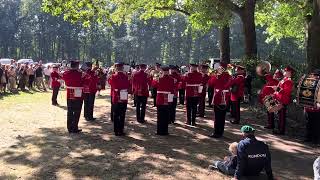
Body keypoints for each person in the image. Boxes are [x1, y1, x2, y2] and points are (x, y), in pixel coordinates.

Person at [208, 62, 232, 138]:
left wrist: (214, 76)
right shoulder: (229, 76)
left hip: (219, 97)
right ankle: (220, 132)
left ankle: (216, 132)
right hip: (225, 97)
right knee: (222, 116)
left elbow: (211, 84)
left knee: (217, 116)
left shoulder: (218, 76)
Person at [62, 60, 84, 133]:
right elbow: (86, 81)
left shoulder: (66, 73)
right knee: (77, 111)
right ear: (77, 66)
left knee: (70, 110)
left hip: (70, 93)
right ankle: (74, 127)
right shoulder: (81, 74)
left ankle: (69, 127)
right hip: (78, 93)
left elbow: (63, 78)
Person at [109, 62, 130, 136]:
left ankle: (116, 131)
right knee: (122, 114)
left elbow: (111, 84)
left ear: (116, 68)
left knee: (116, 114)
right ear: (122, 68)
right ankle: (121, 130)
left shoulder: (113, 76)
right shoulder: (126, 76)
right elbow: (128, 85)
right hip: (124, 96)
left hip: (116, 96)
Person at [273, 66, 294, 135]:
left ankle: (281, 130)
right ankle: (278, 128)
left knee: (282, 116)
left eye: (286, 71)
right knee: (279, 115)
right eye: (284, 71)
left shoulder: (289, 81)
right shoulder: (284, 79)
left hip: (283, 99)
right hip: (279, 98)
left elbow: (286, 91)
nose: (284, 72)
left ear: (290, 73)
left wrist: (277, 89)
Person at [156, 66, 175, 135]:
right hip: (167, 98)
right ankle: (165, 131)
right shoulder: (172, 79)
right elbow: (172, 90)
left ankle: (159, 131)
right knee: (166, 116)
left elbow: (154, 85)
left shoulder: (159, 78)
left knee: (160, 116)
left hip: (160, 98)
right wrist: (170, 101)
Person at [304, 69, 320, 144]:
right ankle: (308, 137)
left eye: (316, 75)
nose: (315, 76)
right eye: (314, 75)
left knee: (316, 123)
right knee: (309, 122)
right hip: (309, 106)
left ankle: (316, 139)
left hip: (317, 106)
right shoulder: (310, 83)